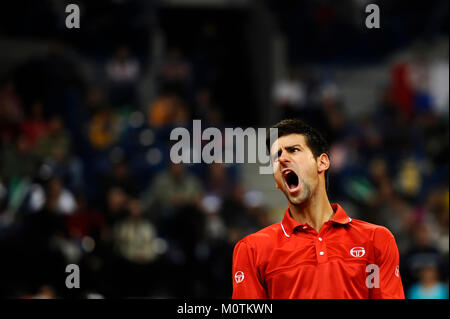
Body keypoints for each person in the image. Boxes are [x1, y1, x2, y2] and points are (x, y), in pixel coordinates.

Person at [232, 119, 405, 299]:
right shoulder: (252, 250)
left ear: (322, 162)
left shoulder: (376, 240)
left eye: (293, 150)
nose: (282, 159)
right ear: (277, 181)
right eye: (276, 157)